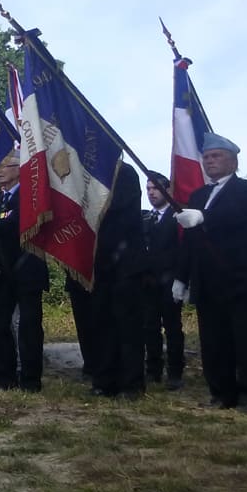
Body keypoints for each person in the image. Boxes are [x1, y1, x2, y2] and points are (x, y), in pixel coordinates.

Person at [174, 133, 247, 414]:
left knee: (246, 340)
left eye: (217, 156)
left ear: (233, 161)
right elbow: (191, 241)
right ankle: (221, 393)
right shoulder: (198, 195)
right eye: (207, 157)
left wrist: (204, 217)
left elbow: (239, 216)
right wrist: (182, 276)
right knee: (214, 340)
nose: (210, 161)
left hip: (239, 278)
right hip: (208, 279)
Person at [0, 152, 49, 392]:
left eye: (7, 165)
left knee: (29, 328)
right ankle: (4, 379)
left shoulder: (30, 195)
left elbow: (16, 225)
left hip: (27, 268)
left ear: (20, 169)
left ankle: (30, 381)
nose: (0, 170)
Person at [87, 163, 148, 398]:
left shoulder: (122, 172)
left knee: (128, 327)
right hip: (100, 263)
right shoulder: (89, 172)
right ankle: (104, 381)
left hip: (126, 263)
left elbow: (115, 207)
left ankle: (131, 384)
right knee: (102, 325)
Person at [142, 176, 185, 390]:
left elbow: (183, 251)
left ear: (168, 190)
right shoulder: (146, 217)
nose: (151, 193)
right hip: (149, 283)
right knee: (150, 327)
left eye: (156, 188)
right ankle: (153, 370)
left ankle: (175, 372)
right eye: (148, 188)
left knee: (173, 328)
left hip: (170, 281)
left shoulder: (177, 215)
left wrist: (181, 279)